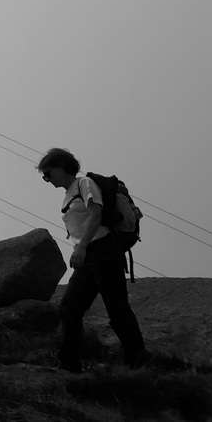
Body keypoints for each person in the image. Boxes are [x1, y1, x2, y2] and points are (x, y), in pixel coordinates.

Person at [38, 148, 147, 372]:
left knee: (117, 308)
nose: (46, 179)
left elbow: (96, 213)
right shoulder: (69, 193)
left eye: (48, 174)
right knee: (70, 307)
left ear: (61, 167)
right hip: (89, 255)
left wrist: (81, 247)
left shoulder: (84, 184)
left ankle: (138, 361)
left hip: (103, 250)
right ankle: (69, 363)